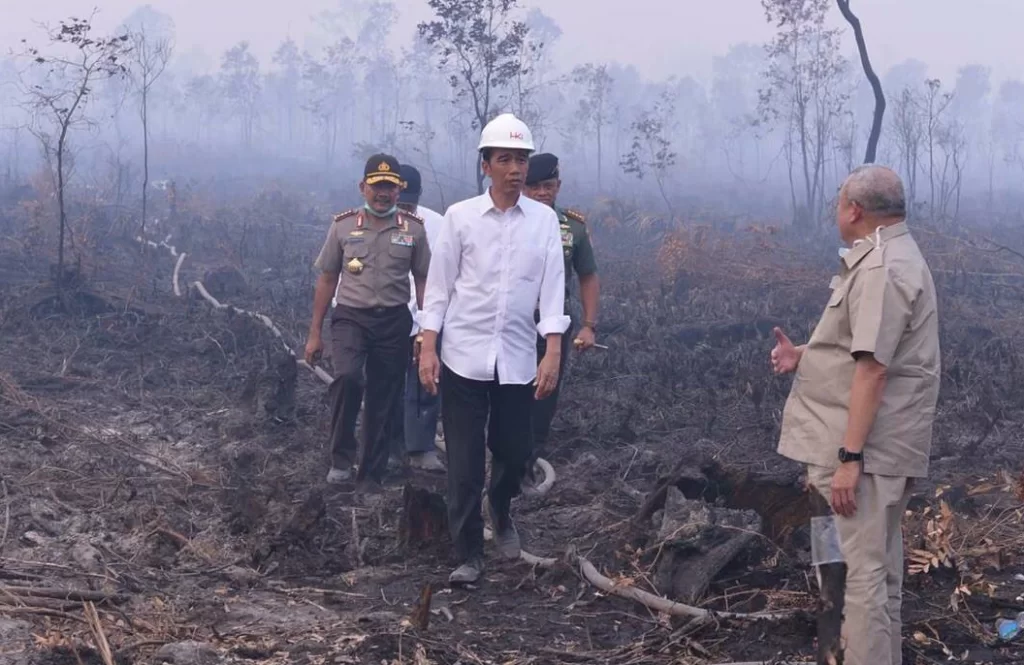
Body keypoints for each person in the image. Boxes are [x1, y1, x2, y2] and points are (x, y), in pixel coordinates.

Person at [771, 164, 939, 665]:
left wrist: (849, 457)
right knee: (882, 573)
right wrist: (808, 353)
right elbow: (867, 347)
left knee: (864, 578)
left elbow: (874, 372)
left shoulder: (883, 268)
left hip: (871, 450)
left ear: (854, 210)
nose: (836, 213)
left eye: (838, 204)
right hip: (879, 445)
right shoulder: (890, 257)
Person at [417, 113, 570, 585]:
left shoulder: (544, 222)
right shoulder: (461, 218)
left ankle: (501, 509)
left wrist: (553, 349)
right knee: (463, 462)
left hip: (518, 359)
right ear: (486, 165)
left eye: (521, 159)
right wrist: (428, 347)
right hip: (463, 357)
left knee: (514, 449)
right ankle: (468, 553)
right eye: (504, 159)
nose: (515, 169)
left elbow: (552, 290)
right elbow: (438, 289)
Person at [305, 154, 431, 490]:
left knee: (383, 395)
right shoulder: (343, 226)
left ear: (398, 189)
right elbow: (328, 279)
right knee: (348, 379)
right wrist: (314, 334)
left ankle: (370, 475)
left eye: (390, 187)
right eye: (377, 186)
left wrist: (426, 331)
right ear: (363, 187)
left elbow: (422, 281)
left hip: (393, 322)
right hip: (350, 317)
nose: (383, 193)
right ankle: (341, 458)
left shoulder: (413, 230)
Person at [523, 153, 600, 474]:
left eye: (548, 186)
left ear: (558, 186)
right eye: (535, 187)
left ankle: (535, 447)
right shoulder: (506, 219)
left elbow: (588, 275)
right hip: (511, 321)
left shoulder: (572, 227)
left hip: (553, 321)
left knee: (546, 384)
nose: (542, 193)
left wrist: (589, 325)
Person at [396, 163, 446, 472]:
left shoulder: (438, 225)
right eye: (399, 202)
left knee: (424, 381)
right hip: (387, 314)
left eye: (409, 203)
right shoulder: (368, 223)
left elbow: (441, 275)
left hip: (427, 315)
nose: (404, 209)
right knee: (386, 384)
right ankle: (389, 446)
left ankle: (420, 447)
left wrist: (429, 322)